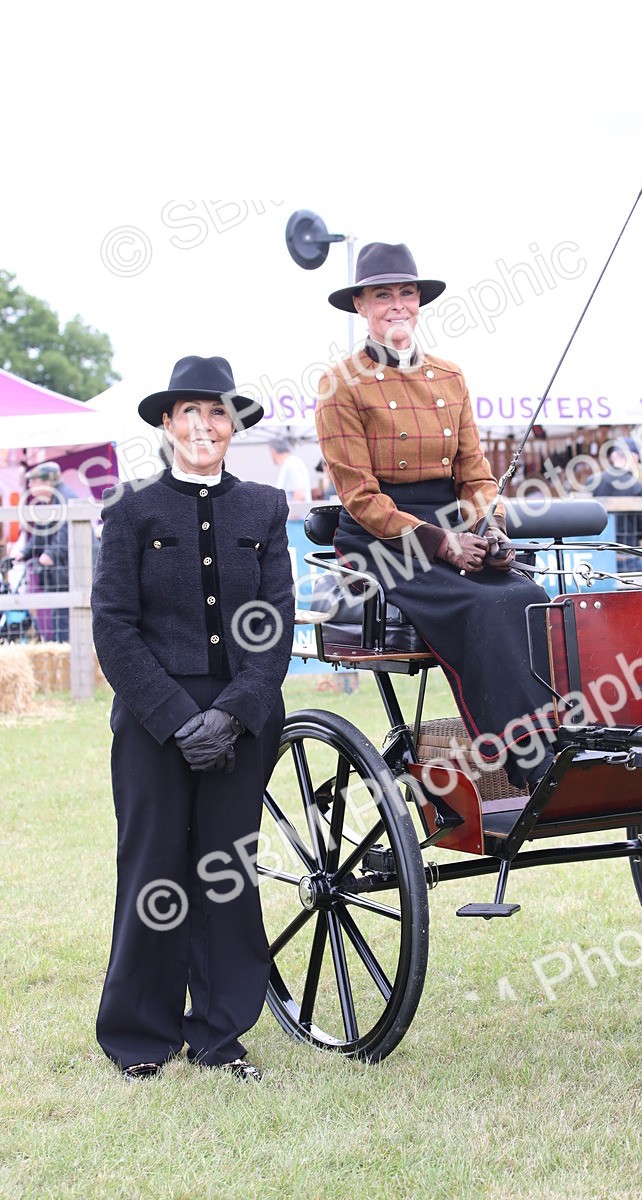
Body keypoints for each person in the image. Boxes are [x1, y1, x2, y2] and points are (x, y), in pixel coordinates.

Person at [91, 355, 295, 1083]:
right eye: (191, 413)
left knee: (226, 871)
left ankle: (218, 1034)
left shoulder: (265, 509)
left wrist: (235, 714)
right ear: (169, 424)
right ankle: (139, 1036)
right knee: (153, 867)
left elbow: (275, 626)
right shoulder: (131, 510)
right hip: (154, 721)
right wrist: (179, 720)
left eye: (219, 413)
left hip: (243, 718)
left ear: (233, 425)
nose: (206, 426)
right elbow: (114, 628)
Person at [315, 242, 554, 792]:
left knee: (529, 595)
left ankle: (563, 737)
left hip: (455, 525)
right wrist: (443, 544)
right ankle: (526, 758)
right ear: (360, 306)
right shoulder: (339, 384)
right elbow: (360, 497)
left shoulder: (450, 376)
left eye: (406, 293)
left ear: (419, 302)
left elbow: (475, 472)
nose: (396, 305)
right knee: (484, 603)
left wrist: (488, 526)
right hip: (382, 540)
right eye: (382, 295)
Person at [14, 461, 76, 642]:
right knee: (58, 616)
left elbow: (67, 530)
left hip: (72, 571)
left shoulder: (65, 498)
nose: (30, 486)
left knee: (65, 618)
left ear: (48, 482)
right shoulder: (51, 501)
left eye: (33, 481)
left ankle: (66, 656)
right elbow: (40, 533)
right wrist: (24, 553)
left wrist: (50, 554)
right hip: (61, 572)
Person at [590, 438, 642, 573]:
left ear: (613, 456)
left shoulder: (591, 482)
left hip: (596, 556)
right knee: (630, 594)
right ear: (635, 457)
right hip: (628, 556)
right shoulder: (640, 488)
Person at [268, 436, 312, 502]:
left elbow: (300, 494)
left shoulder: (292, 464)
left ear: (273, 451)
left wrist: (292, 512)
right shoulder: (290, 464)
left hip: (296, 511)